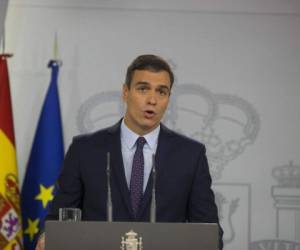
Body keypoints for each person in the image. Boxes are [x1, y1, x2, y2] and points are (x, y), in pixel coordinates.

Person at [36, 54, 223, 249]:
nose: (152, 100)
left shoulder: (190, 156)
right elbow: (59, 219)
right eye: (143, 89)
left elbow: (209, 232)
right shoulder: (85, 150)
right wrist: (46, 238)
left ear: (168, 98)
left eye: (161, 92)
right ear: (125, 92)